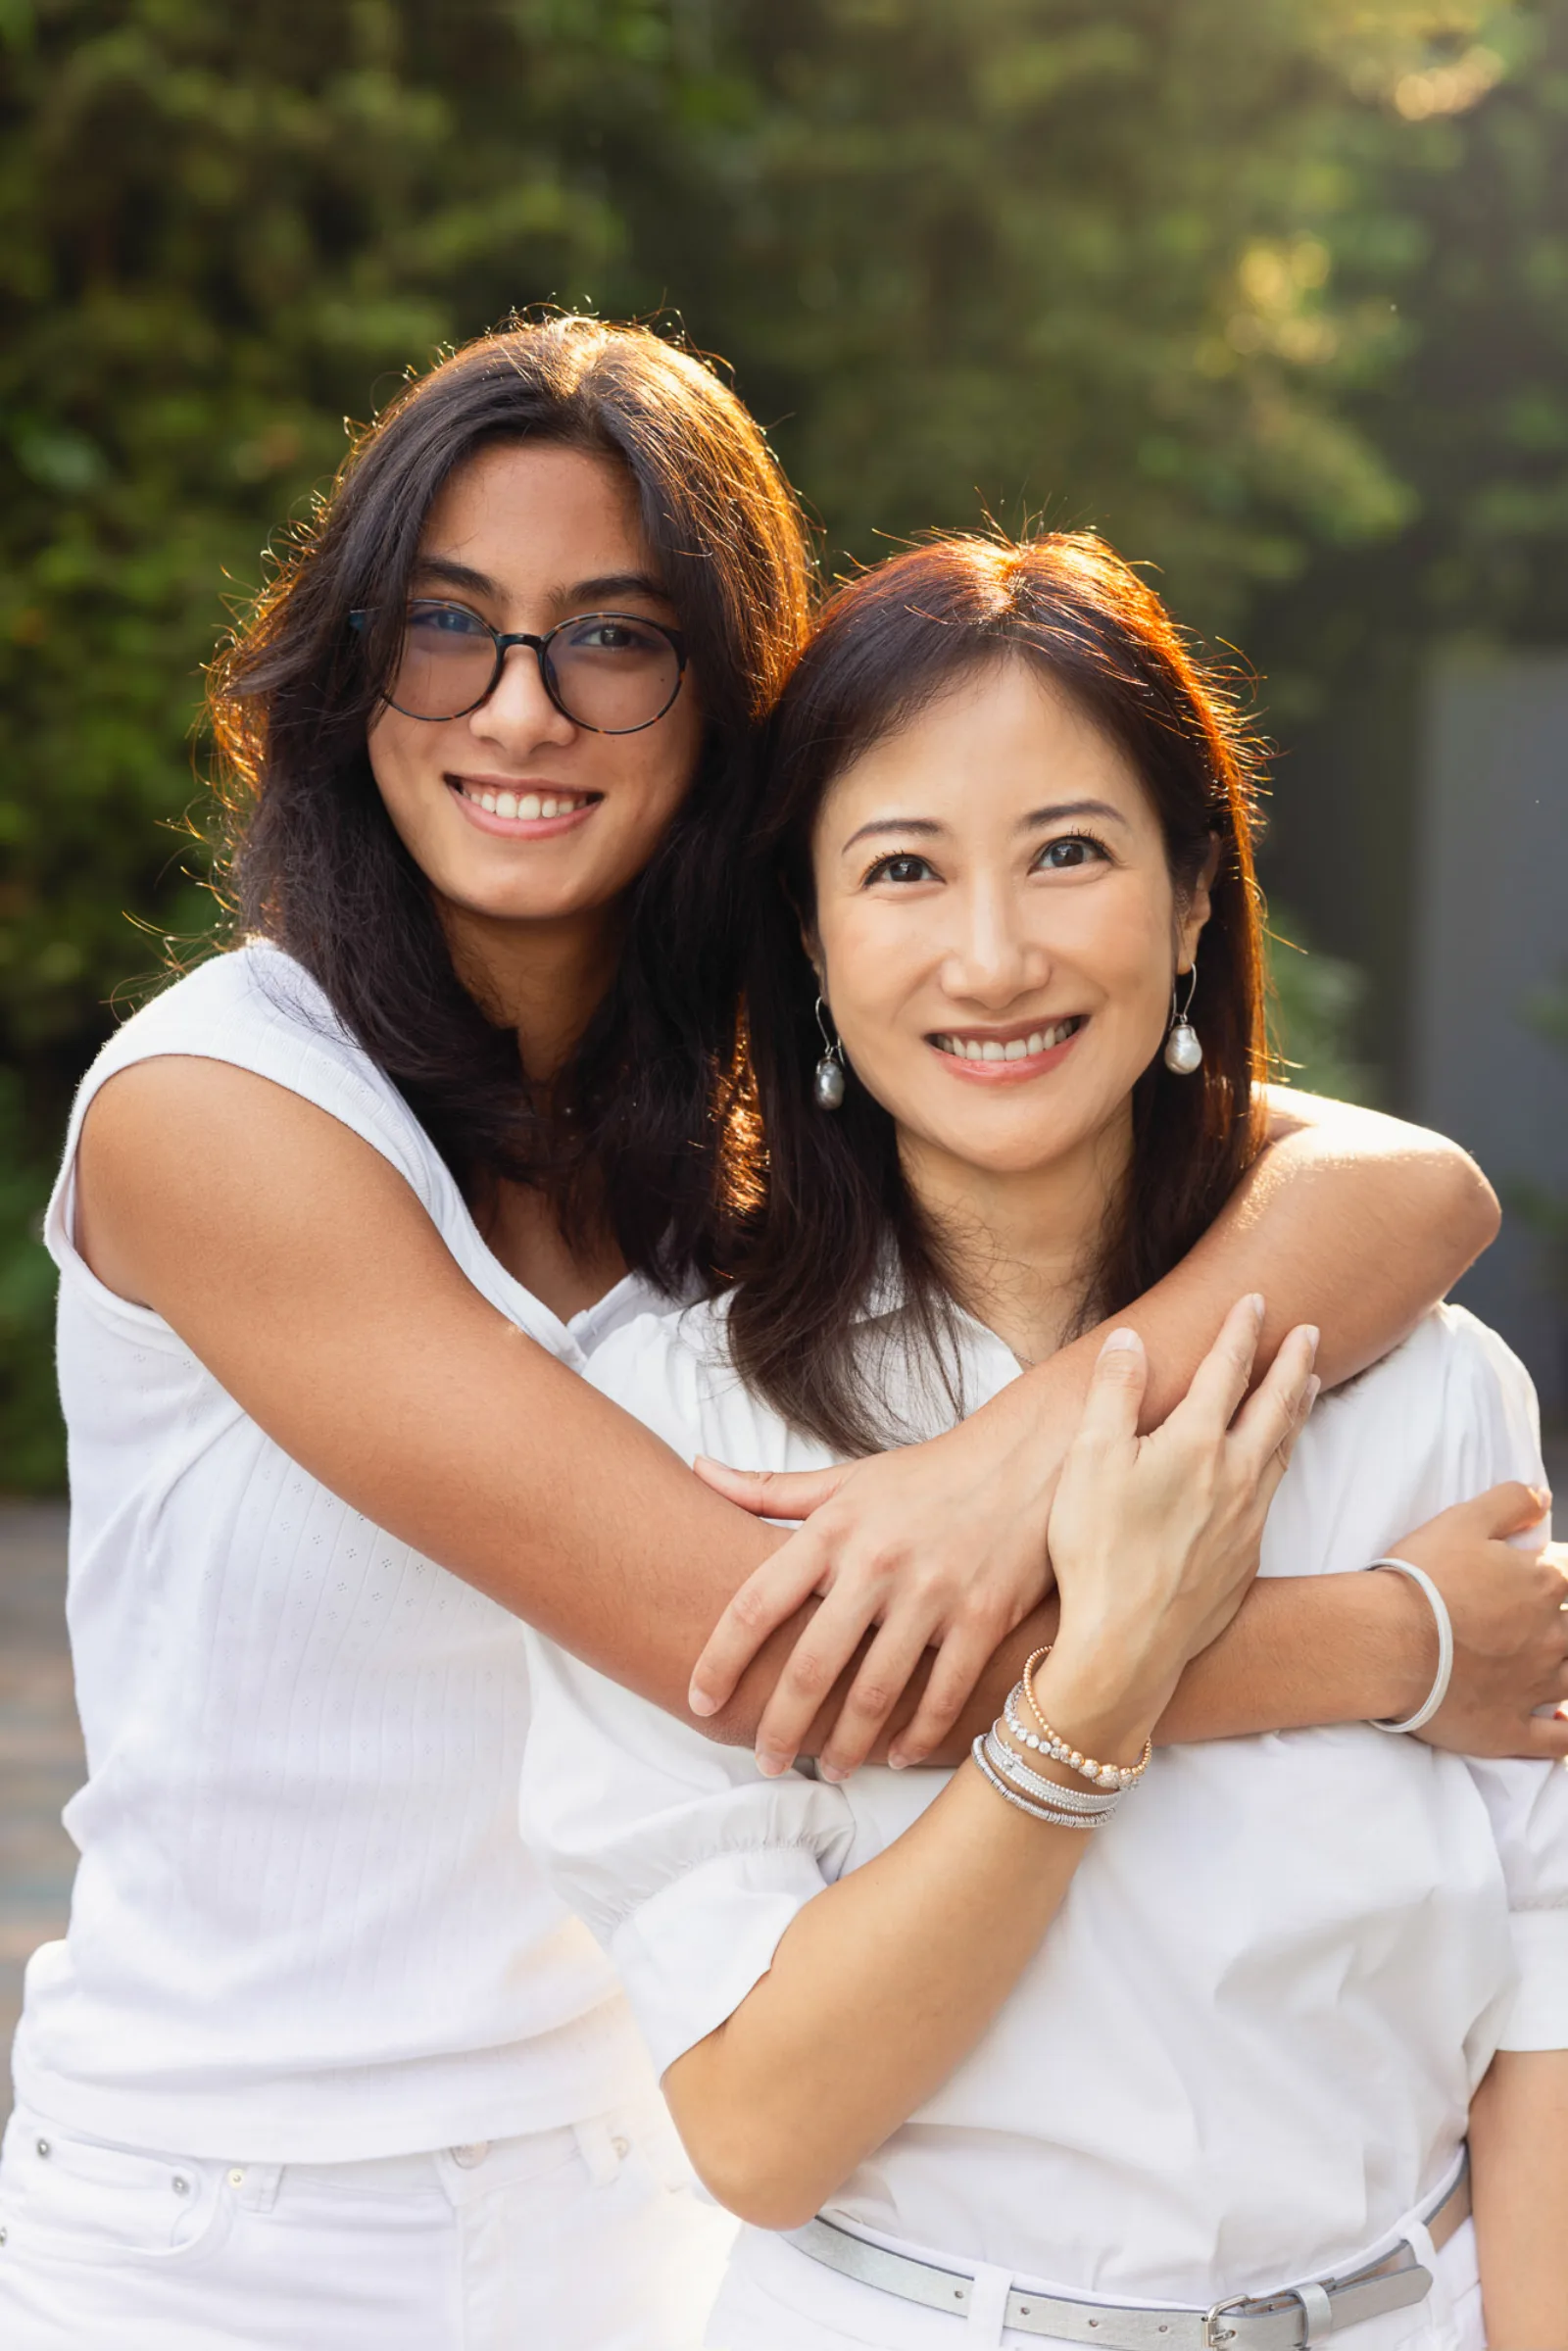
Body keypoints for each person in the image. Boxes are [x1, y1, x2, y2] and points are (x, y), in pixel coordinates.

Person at [0, 319, 1557, 2350]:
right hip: (250, 2218)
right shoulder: (221, 1105)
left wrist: (1023, 1449)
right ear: (348, 664)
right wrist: (1393, 1643)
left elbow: (1395, 1182)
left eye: (613, 638)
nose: (520, 709)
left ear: (726, 703)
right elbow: (767, 1653)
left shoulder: (746, 1116)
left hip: (642, 2213)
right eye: (444, 626)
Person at [520, 531, 1568, 2349]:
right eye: (904, 870)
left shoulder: (1424, 1378)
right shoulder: (688, 1424)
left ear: (1187, 904)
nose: (992, 956)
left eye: (1070, 852)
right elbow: (759, 2127)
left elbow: (1548, 1993)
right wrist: (1091, 1699)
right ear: (811, 941)